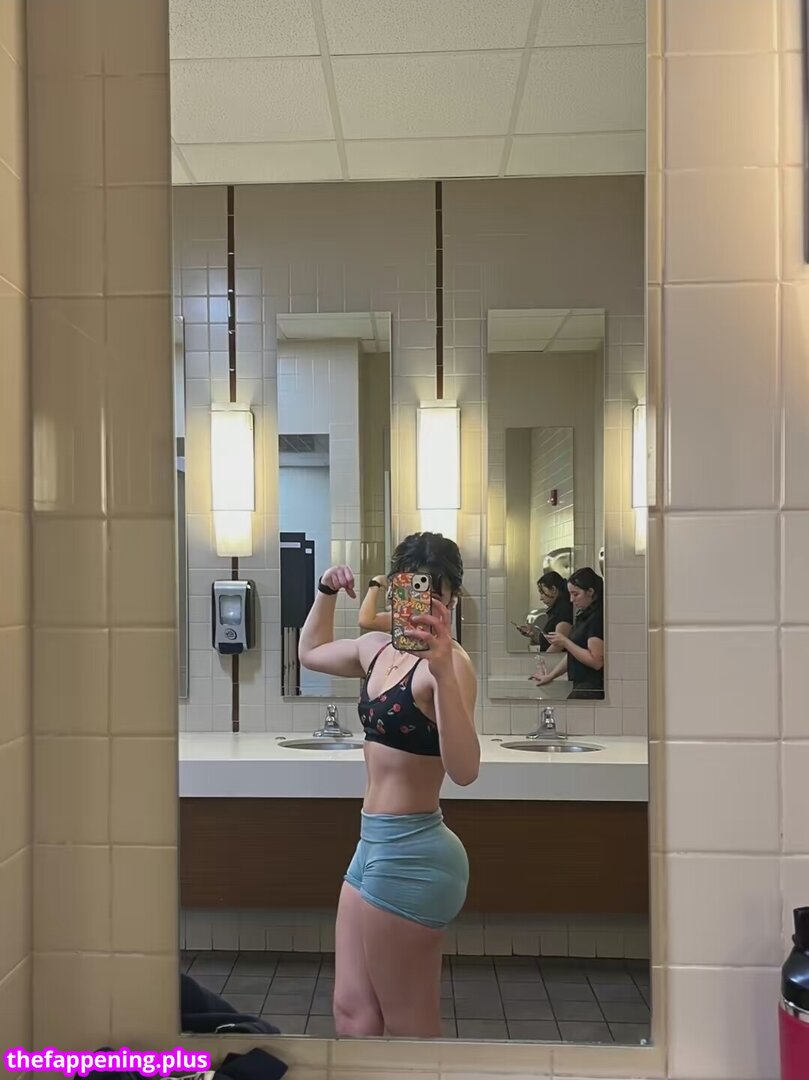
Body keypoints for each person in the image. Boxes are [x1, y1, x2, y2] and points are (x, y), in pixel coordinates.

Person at [298, 532, 479, 1038]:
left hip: (415, 853)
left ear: (452, 600)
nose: (423, 604)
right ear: (396, 587)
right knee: (352, 1013)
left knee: (409, 1025)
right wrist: (326, 591)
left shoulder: (451, 665)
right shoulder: (377, 650)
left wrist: (442, 671)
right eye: (413, 588)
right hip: (371, 847)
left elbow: (465, 770)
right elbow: (310, 652)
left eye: (436, 594)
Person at [529, 566, 604, 700]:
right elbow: (573, 654)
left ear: (590, 591)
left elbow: (596, 661)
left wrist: (565, 642)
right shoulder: (584, 616)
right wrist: (551, 676)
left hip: (591, 688)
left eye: (575, 594)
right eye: (570, 594)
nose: (571, 600)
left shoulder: (596, 618)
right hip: (580, 685)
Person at [516, 570, 573, 652]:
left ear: (553, 589)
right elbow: (549, 643)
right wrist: (533, 634)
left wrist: (544, 658)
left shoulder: (563, 610)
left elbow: (558, 644)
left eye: (542, 592)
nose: (540, 598)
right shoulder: (556, 610)